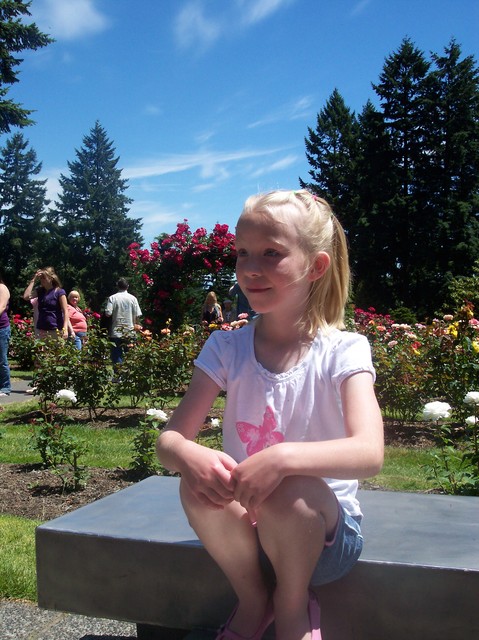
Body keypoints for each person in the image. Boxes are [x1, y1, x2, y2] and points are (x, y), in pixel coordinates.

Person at [156, 190, 384, 640]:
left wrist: (282, 459)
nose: (250, 268)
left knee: (291, 487)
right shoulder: (226, 347)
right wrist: (186, 454)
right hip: (245, 542)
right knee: (195, 482)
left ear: (315, 266)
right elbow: (169, 441)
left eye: (271, 253)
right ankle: (254, 598)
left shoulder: (343, 350)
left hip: (323, 544)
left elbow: (369, 453)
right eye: (242, 253)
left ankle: (292, 605)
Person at [23, 268, 69, 341]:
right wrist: (33, 280)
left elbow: (65, 311)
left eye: (44, 278)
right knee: (42, 351)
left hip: (56, 328)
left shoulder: (59, 292)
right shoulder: (40, 291)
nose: (41, 280)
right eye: (40, 278)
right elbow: (26, 297)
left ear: (51, 278)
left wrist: (65, 328)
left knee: (56, 351)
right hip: (42, 328)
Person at [104, 278, 142, 366]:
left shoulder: (112, 298)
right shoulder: (133, 299)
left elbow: (108, 313)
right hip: (130, 331)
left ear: (117, 286)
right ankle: (129, 375)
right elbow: (137, 314)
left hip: (115, 331)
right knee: (130, 355)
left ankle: (118, 376)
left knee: (116, 355)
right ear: (128, 286)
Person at [0, 275, 11, 397]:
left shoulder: (2, 288)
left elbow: (2, 307)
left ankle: (5, 388)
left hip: (1, 328)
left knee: (1, 359)